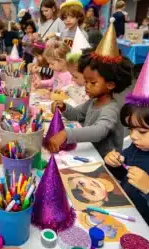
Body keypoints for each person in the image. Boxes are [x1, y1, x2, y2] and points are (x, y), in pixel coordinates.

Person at [104, 50, 149, 246]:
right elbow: (122, 172)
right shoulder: (137, 147)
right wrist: (114, 163)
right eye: (131, 128)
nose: (132, 136)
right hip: (125, 216)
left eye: (141, 131)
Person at [49, 19, 133, 157]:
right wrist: (64, 107)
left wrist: (66, 133)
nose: (87, 86)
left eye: (92, 83)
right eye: (86, 81)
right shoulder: (93, 101)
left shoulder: (110, 110)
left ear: (110, 85)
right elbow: (76, 114)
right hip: (88, 153)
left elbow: (98, 131)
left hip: (105, 164)